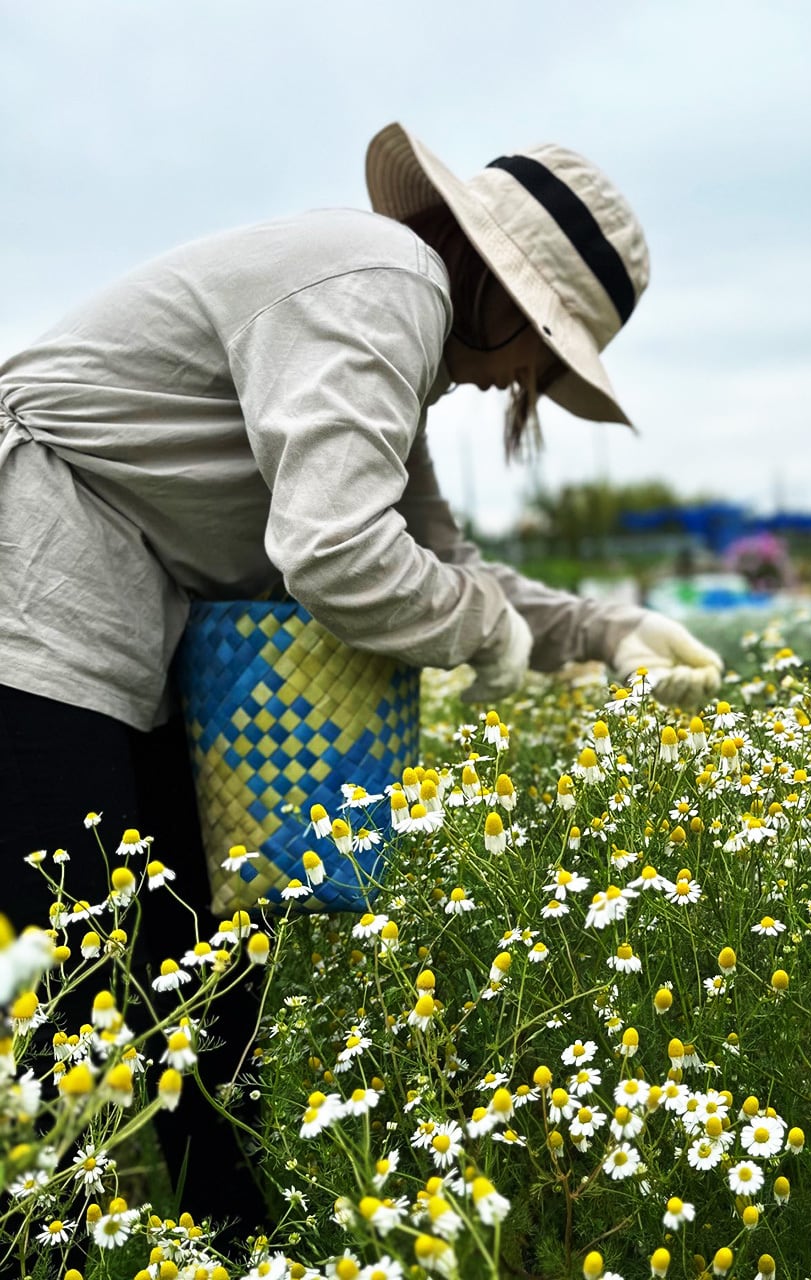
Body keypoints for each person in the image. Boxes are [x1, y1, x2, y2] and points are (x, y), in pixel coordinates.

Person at [0, 121, 723, 1226]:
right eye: (547, 348)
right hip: (34, 574)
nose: (524, 380)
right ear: (508, 296)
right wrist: (497, 641)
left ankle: (231, 1238)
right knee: (69, 983)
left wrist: (599, 630)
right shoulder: (384, 281)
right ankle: (74, 1237)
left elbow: (433, 557)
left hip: (113, 604)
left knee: (200, 965)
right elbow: (338, 556)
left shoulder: (399, 320)